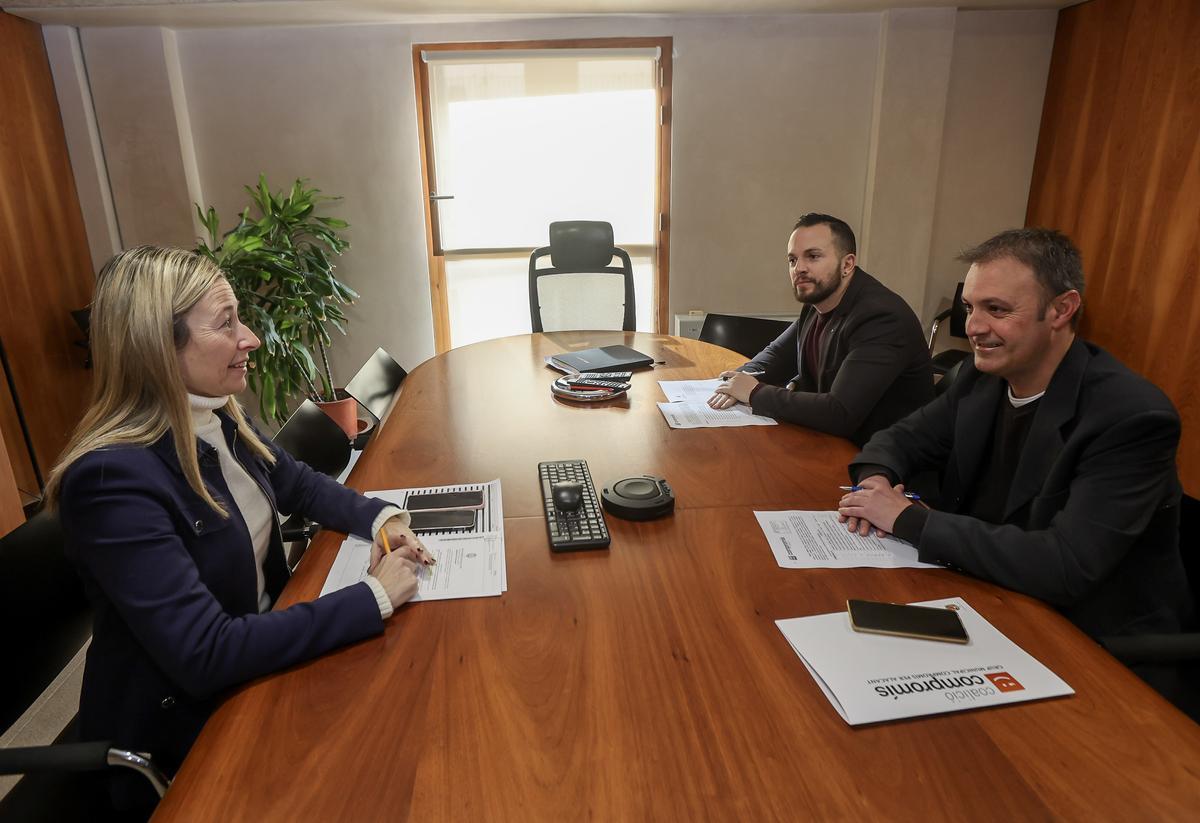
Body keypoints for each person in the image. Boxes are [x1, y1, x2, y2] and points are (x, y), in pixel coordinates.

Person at [44, 246, 429, 812]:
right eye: (226, 324)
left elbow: (297, 484)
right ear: (158, 348)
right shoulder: (111, 483)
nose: (250, 337)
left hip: (258, 658)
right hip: (188, 730)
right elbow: (204, 653)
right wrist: (372, 596)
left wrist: (381, 517)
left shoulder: (217, 411)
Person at [838, 228, 1190, 638]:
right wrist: (874, 485)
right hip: (989, 593)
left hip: (1090, 638)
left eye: (997, 309)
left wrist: (908, 520)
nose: (973, 327)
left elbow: (1064, 565)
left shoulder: (1131, 416)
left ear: (1061, 309)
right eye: (969, 307)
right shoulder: (980, 376)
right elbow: (898, 439)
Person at [707, 213, 932, 445]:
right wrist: (736, 379)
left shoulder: (881, 317)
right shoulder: (817, 304)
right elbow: (776, 356)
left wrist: (754, 393)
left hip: (882, 460)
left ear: (847, 264)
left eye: (813, 256)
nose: (799, 269)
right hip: (832, 441)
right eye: (792, 260)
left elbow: (840, 413)